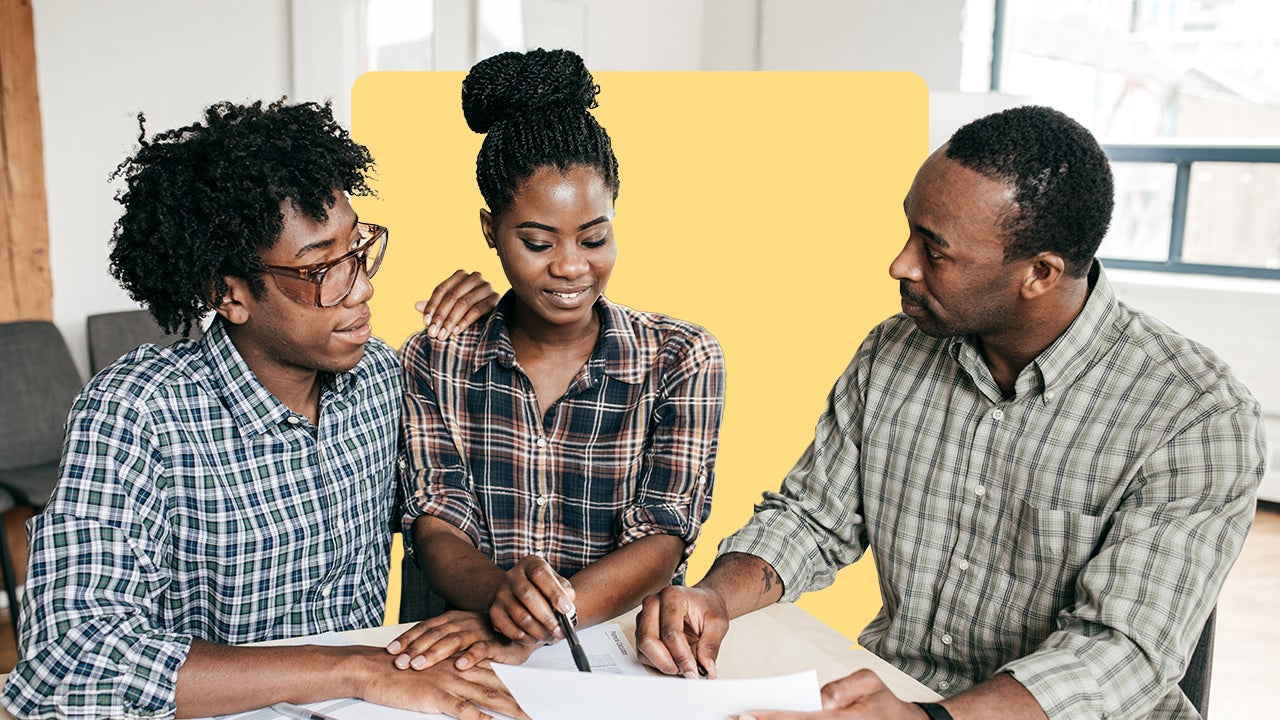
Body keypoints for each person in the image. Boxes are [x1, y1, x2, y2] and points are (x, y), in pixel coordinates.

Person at [635, 106, 1265, 720]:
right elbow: (811, 517)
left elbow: (1117, 652)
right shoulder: (893, 350)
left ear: (1040, 273)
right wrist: (713, 595)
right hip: (895, 688)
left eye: (934, 251)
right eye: (909, 230)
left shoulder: (1197, 414)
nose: (900, 264)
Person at [0, 99, 520, 720]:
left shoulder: (381, 377)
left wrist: (495, 327)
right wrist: (352, 670)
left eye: (359, 248)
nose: (362, 287)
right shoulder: (138, 410)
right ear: (230, 294)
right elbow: (69, 660)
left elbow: (459, 511)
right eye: (322, 268)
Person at [386, 48, 726, 673]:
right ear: (490, 230)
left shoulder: (680, 358)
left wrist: (542, 622)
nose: (571, 266)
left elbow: (664, 533)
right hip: (466, 652)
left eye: (594, 238)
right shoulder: (435, 356)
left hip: (620, 659)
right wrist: (500, 598)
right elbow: (436, 520)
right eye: (537, 242)